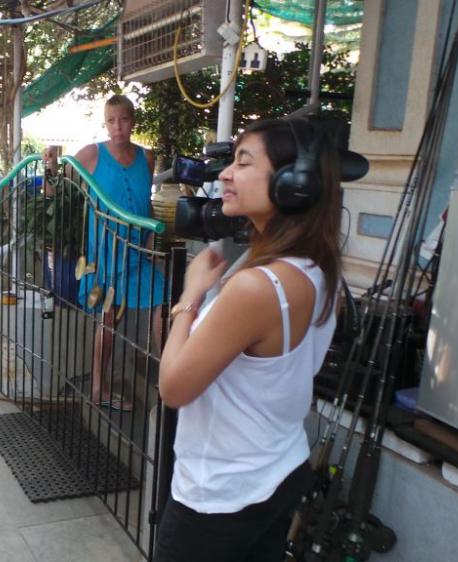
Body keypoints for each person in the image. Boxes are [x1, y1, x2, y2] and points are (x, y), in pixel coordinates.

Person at [155, 118, 343, 561]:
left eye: (243, 162)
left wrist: (189, 297)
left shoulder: (257, 287)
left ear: (293, 184)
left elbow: (173, 388)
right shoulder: (317, 268)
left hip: (220, 498)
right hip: (276, 470)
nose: (224, 174)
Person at [74, 94, 165, 411]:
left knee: (162, 303)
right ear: (105, 123)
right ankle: (99, 388)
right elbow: (55, 186)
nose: (118, 127)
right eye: (111, 121)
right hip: (105, 253)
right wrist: (50, 167)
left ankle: (168, 378)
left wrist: (151, 241)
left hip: (137, 252)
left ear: (132, 122)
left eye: (123, 120)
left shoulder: (147, 157)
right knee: (109, 318)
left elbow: (146, 202)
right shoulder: (91, 154)